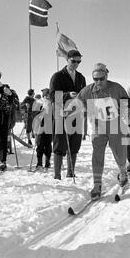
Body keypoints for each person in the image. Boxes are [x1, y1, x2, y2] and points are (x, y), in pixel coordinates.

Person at [72, 63, 129, 199]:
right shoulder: (88, 90)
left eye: (101, 78)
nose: (98, 82)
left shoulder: (116, 88)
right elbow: (77, 103)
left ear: (106, 75)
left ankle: (123, 172)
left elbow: (127, 105)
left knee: (119, 152)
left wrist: (129, 114)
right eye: (95, 79)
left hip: (115, 125)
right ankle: (97, 185)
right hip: (98, 126)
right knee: (97, 153)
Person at [49, 49, 86, 180]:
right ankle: (57, 175)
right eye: (73, 61)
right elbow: (52, 95)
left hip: (76, 114)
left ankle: (71, 172)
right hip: (61, 115)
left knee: (75, 143)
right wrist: (67, 95)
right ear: (67, 60)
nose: (76, 64)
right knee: (60, 143)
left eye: (79, 61)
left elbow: (84, 95)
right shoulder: (57, 76)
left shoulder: (81, 78)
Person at [33, 88, 53, 169]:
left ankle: (47, 162)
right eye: (46, 96)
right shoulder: (39, 104)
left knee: (48, 145)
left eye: (48, 96)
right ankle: (39, 163)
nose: (47, 97)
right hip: (40, 127)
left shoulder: (52, 104)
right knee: (40, 145)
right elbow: (34, 115)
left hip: (49, 127)